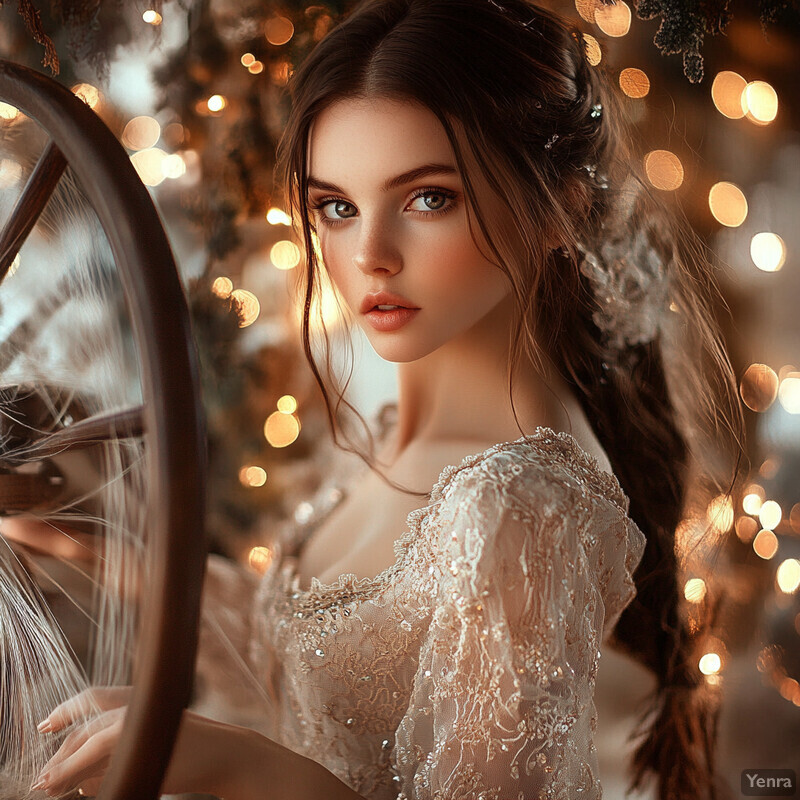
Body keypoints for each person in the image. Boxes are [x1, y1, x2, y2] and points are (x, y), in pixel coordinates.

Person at [17, 0, 744, 798]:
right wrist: (99, 547)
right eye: (337, 206)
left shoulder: (521, 506)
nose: (369, 256)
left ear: (562, 205)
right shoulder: (388, 431)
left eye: (430, 198)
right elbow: (320, 667)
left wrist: (241, 766)